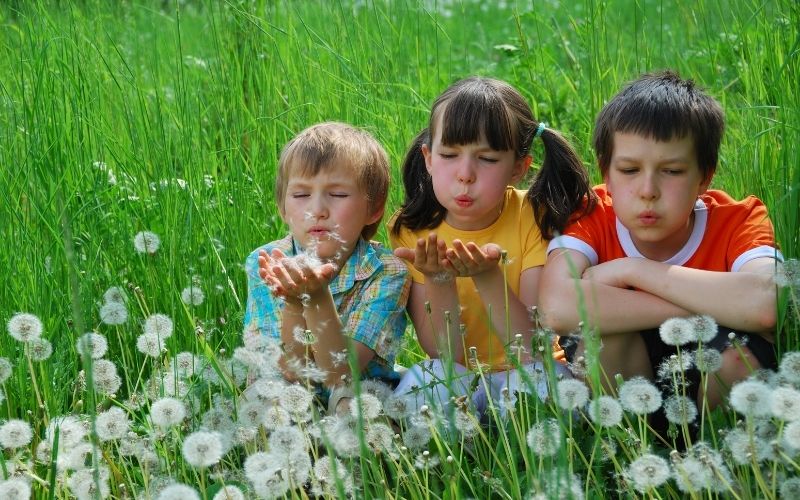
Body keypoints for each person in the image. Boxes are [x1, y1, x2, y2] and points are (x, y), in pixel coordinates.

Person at [540, 70, 783, 412]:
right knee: (603, 344)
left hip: (712, 375)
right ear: (605, 173)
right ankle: (632, 448)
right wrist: (714, 308)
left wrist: (633, 271)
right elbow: (556, 307)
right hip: (627, 378)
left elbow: (766, 304)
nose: (648, 191)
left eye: (671, 171)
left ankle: (712, 448)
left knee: (740, 359)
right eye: (629, 170)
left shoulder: (739, 219)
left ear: (704, 176)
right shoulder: (591, 214)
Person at [389, 76, 594, 417]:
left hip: (532, 371)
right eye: (449, 155)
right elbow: (445, 356)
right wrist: (439, 279)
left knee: (552, 393)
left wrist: (488, 277)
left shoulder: (533, 215)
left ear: (518, 168)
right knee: (422, 388)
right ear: (428, 158)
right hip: (460, 378)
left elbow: (532, 349)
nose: (465, 174)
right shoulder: (412, 229)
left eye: (486, 158)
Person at [244, 122, 411, 414]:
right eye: (300, 195)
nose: (317, 209)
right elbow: (289, 369)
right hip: (287, 389)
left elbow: (341, 373)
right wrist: (296, 304)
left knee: (352, 408)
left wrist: (316, 297)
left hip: (358, 391)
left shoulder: (387, 272)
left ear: (375, 208)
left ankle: (357, 458)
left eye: (338, 195)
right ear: (282, 207)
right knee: (264, 404)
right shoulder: (267, 261)